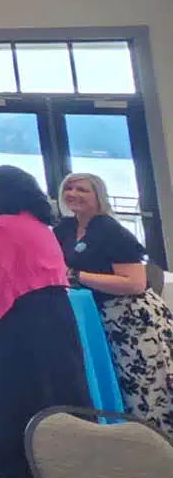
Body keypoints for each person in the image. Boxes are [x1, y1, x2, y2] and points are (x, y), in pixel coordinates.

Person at [0, 165, 91, 478]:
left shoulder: (3, 225)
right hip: (57, 314)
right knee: (55, 390)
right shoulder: (40, 225)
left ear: (7, 191)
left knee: (20, 394)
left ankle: (26, 472)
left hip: (24, 319)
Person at [57, 173, 173, 434]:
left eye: (82, 190)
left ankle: (157, 444)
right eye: (69, 188)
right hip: (98, 318)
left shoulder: (110, 230)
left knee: (146, 391)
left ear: (98, 196)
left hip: (132, 320)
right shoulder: (65, 229)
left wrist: (77, 276)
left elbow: (134, 283)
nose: (73, 194)